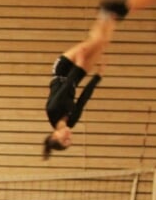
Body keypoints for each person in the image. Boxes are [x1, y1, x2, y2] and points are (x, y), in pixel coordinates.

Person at [43, 11, 117, 159]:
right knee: (103, 44)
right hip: (76, 76)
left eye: (65, 139)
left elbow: (66, 86)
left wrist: (79, 63)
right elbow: (83, 99)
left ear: (55, 135)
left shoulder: (53, 110)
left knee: (95, 41)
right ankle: (113, 17)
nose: (69, 136)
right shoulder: (72, 121)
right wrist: (98, 76)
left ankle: (105, 13)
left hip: (63, 71)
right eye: (69, 140)